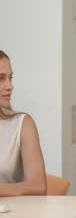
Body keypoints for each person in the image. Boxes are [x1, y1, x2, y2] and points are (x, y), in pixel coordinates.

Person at [0, 50, 47, 196]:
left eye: (10, 78)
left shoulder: (22, 124)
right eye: (1, 78)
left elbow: (38, 186)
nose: (10, 86)